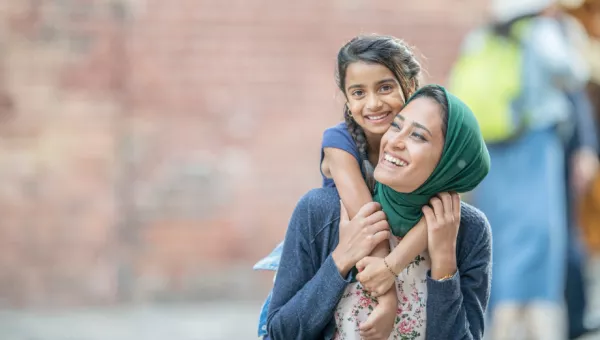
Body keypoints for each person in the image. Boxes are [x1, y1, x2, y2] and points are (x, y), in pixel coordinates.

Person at [267, 84, 492, 340]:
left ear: (449, 161)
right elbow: (279, 334)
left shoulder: (469, 230)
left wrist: (444, 264)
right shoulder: (322, 210)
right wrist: (340, 259)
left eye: (418, 136)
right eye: (396, 126)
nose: (394, 141)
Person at [254, 34, 423, 339]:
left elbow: (443, 209)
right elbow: (367, 218)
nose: (373, 103)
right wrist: (388, 296)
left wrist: (391, 271)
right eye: (358, 92)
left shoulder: (427, 142)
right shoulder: (339, 142)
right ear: (346, 98)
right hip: (336, 260)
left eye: (385, 87)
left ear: (410, 87)